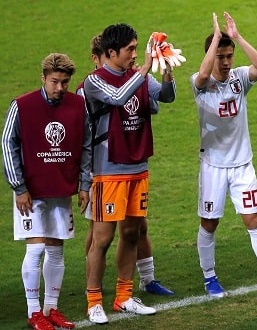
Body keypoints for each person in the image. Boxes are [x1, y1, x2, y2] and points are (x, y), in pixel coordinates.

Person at [83, 23, 177, 324]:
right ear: (111, 53)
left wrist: (166, 71)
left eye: (137, 48)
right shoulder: (95, 81)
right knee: (102, 238)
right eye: (130, 50)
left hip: (139, 166)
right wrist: (144, 69)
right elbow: (118, 98)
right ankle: (94, 301)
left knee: (131, 233)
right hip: (108, 169)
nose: (135, 54)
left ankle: (124, 296)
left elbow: (166, 96)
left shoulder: (136, 75)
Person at [3, 54, 92, 330]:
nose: (60, 87)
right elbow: (8, 144)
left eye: (65, 82)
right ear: (43, 78)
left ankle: (51, 308)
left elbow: (87, 144)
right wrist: (19, 187)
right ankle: (34, 312)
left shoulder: (78, 105)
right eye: (55, 81)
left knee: (56, 251)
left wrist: (85, 184)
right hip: (31, 193)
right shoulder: (22, 105)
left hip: (61, 189)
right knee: (37, 248)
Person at [192, 12, 257, 303]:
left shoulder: (240, 78)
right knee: (209, 223)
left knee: (254, 220)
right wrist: (215, 38)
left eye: (229, 55)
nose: (226, 62)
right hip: (213, 167)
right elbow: (203, 76)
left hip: (242, 166)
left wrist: (237, 37)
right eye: (220, 56)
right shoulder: (199, 83)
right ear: (211, 55)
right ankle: (209, 277)